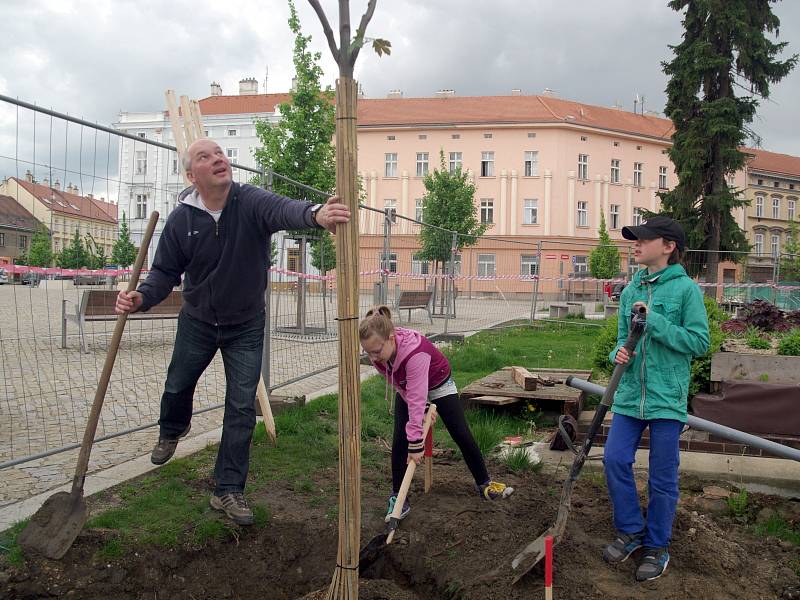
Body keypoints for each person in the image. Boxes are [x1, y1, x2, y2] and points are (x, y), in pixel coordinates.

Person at [115, 138, 350, 525]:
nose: (218, 159)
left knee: (241, 407)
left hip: (245, 324)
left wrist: (316, 214)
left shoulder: (249, 201)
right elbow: (163, 273)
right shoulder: (181, 220)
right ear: (192, 176)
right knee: (177, 383)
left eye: (220, 153)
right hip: (198, 321)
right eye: (205, 157)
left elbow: (284, 209)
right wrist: (141, 297)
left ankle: (228, 490)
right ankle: (172, 429)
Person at [602, 215, 709, 581]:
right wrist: (618, 352)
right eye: (634, 239)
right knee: (615, 459)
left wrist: (656, 324)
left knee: (663, 477)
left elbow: (698, 341)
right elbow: (621, 336)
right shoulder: (630, 291)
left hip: (666, 399)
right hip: (630, 396)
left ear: (668, 246)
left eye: (643, 239)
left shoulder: (685, 290)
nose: (635, 244)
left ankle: (657, 545)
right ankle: (631, 530)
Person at [358, 306, 513, 522]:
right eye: (368, 352)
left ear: (391, 339)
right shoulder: (379, 355)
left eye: (376, 351)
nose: (373, 357)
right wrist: (419, 417)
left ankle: (484, 483)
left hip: (438, 381)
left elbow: (419, 392)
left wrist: (417, 444)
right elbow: (406, 390)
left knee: (461, 433)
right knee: (399, 441)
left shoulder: (415, 353)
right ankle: (398, 498)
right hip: (408, 387)